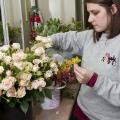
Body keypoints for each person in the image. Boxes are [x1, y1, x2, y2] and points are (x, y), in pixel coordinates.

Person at [42, 0, 120, 119]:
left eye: (95, 12)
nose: (89, 19)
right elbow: (66, 39)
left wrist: (94, 80)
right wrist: (43, 42)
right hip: (80, 112)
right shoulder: (89, 36)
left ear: (113, 9)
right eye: (89, 13)